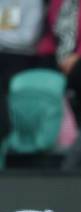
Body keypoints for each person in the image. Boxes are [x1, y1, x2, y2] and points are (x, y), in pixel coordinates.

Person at [0, 0, 44, 141]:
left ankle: (5, 129)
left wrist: (1, 37)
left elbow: (27, 38)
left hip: (21, 56)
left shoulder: (33, 2)